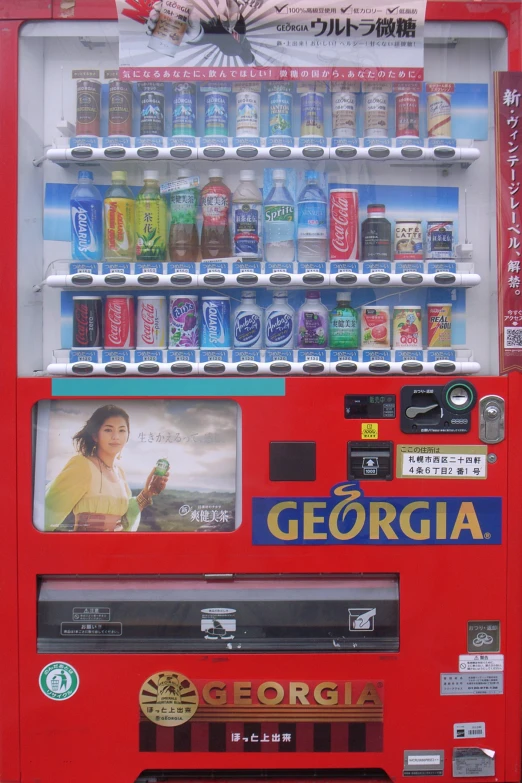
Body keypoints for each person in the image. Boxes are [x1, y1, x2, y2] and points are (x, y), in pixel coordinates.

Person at [44, 404, 168, 532]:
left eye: (122, 430)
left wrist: (147, 492)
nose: (116, 436)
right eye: (108, 430)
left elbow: (124, 519)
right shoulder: (82, 465)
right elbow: (44, 517)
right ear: (95, 436)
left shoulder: (119, 472)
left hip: (116, 550)